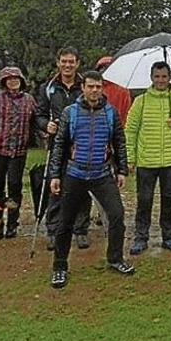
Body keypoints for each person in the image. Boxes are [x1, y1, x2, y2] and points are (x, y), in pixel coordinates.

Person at [47, 71, 131, 289]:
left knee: (116, 215)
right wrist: (55, 175)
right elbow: (59, 145)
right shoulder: (70, 112)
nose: (95, 91)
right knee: (65, 221)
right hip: (74, 174)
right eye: (91, 86)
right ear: (82, 88)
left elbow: (119, 143)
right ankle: (59, 267)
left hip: (102, 174)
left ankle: (115, 259)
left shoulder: (110, 113)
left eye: (98, 87)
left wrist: (122, 170)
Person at [125, 61, 171, 255]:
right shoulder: (140, 101)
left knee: (169, 201)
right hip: (146, 161)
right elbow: (130, 130)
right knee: (144, 201)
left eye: (164, 76)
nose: (160, 80)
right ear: (151, 77)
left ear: (169, 77)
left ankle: (170, 236)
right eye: (157, 76)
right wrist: (130, 158)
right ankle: (141, 237)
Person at [36, 47, 91, 250]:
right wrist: (45, 125)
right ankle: (53, 229)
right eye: (64, 61)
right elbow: (39, 114)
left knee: (83, 187)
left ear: (77, 63)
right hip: (57, 144)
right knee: (54, 186)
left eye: (71, 62)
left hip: (82, 144)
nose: (67, 65)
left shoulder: (85, 86)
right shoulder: (48, 88)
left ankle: (81, 229)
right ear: (58, 63)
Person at [0, 66, 37, 238]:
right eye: (9, 79)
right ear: (4, 82)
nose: (13, 81)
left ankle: (12, 223)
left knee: (15, 186)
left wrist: (47, 134)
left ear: (21, 81)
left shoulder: (29, 100)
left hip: (19, 152)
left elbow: (35, 122)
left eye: (16, 78)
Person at [95, 55, 132, 124]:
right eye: (101, 68)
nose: (103, 70)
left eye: (106, 67)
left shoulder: (123, 89)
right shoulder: (94, 87)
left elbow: (126, 112)